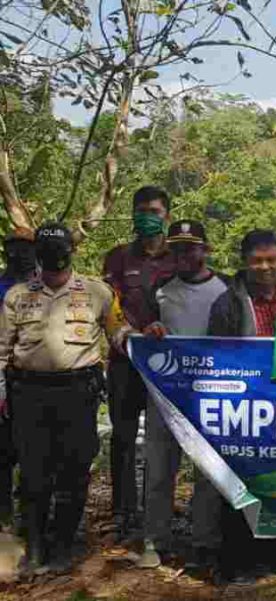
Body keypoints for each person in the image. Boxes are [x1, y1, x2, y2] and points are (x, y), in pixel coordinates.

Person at [0, 223, 126, 575]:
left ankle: (65, 544)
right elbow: (1, 351)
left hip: (78, 393)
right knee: (34, 473)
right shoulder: (17, 295)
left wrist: (147, 340)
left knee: (74, 472)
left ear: (72, 251)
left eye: (61, 249)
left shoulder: (98, 292)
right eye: (47, 250)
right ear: (37, 254)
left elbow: (119, 333)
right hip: (29, 393)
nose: (55, 257)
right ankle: (36, 546)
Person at [207, 229, 276, 583]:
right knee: (240, 482)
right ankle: (236, 561)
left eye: (271, 260)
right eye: (256, 261)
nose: (264, 267)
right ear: (245, 263)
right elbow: (216, 357)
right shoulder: (227, 302)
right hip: (244, 406)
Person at [137, 221, 231, 575]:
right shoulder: (159, 289)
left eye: (191, 248)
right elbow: (144, 327)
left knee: (207, 472)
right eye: (177, 248)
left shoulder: (227, 289)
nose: (184, 255)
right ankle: (154, 540)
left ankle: (204, 542)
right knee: (159, 469)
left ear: (206, 250)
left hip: (211, 395)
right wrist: (151, 330)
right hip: (165, 394)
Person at [102, 185, 176, 542]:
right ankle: (123, 512)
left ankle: (159, 511)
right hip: (125, 361)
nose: (148, 216)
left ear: (168, 217)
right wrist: (129, 334)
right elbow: (109, 308)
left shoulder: (179, 257)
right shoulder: (116, 258)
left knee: (167, 439)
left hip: (168, 365)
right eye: (141, 210)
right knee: (124, 436)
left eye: (155, 211)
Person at [0, 227, 35, 527]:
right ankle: (4, 517)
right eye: (12, 246)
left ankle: (29, 518)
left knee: (33, 451)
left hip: (34, 378)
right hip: (2, 375)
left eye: (24, 247)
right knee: (3, 449)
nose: (17, 253)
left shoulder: (44, 285)